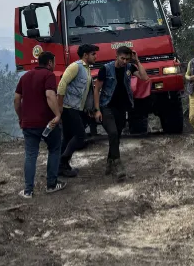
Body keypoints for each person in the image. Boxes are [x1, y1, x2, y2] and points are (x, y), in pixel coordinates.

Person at [90, 46, 149, 179]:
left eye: (127, 59)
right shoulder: (105, 69)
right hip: (106, 106)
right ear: (116, 56)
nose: (124, 61)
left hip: (122, 108)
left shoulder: (129, 68)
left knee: (117, 136)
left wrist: (137, 61)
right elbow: (96, 89)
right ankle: (118, 164)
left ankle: (109, 163)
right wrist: (97, 110)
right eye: (122, 58)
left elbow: (145, 78)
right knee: (113, 132)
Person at [14, 51, 66, 198]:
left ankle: (28, 191)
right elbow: (50, 95)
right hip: (47, 123)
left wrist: (21, 118)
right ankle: (51, 184)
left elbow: (17, 100)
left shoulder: (25, 77)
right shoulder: (48, 75)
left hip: (29, 124)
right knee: (54, 149)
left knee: (30, 155)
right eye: (54, 62)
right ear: (50, 63)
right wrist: (57, 115)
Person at [56, 44, 99, 178]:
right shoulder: (75, 66)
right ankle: (63, 161)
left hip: (77, 108)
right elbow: (62, 84)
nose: (95, 56)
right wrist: (60, 106)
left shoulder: (86, 69)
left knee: (68, 137)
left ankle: (60, 167)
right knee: (80, 136)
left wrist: (88, 108)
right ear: (85, 55)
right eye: (93, 54)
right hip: (69, 108)